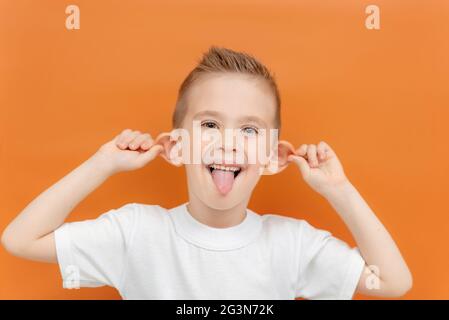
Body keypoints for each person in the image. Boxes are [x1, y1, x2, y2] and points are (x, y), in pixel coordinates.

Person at [1, 46, 412, 299]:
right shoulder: (135, 233)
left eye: (249, 129)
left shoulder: (293, 244)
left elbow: (393, 282)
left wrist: (339, 191)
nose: (228, 142)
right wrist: (102, 163)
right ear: (177, 146)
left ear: (272, 157)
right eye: (211, 125)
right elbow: (19, 239)